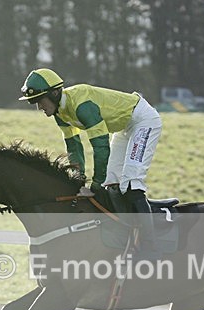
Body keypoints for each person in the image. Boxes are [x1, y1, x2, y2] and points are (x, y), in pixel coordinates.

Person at [19, 68, 161, 257]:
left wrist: (94, 185)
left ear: (54, 93)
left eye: (40, 101)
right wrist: (77, 180)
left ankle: (150, 249)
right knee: (111, 183)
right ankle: (126, 236)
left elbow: (101, 147)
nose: (39, 108)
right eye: (34, 103)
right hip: (123, 127)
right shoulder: (60, 113)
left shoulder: (82, 105)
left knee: (131, 182)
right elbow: (74, 147)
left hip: (143, 120)